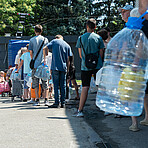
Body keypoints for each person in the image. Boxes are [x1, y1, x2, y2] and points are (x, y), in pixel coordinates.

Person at [74, 18, 104, 117]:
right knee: (100, 86)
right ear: (95, 27)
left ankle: (80, 110)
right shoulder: (99, 38)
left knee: (85, 87)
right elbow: (101, 53)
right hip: (97, 65)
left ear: (86, 26)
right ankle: (105, 108)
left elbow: (80, 55)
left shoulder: (80, 38)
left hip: (85, 65)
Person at [128, 7, 148, 132]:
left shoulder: (138, 29)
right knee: (145, 93)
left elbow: (139, 48)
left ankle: (134, 123)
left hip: (138, 66)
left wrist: (134, 64)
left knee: (132, 94)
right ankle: (147, 118)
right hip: (146, 66)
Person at [43, 35, 72, 108]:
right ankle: (63, 103)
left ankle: (56, 102)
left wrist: (45, 55)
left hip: (55, 67)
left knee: (56, 85)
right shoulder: (67, 45)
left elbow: (44, 48)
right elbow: (69, 59)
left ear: (56, 38)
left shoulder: (54, 41)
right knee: (63, 85)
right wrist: (68, 69)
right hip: (63, 67)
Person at [28, 24, 49, 106]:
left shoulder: (32, 40)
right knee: (45, 82)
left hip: (35, 64)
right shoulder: (45, 39)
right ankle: (46, 99)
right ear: (41, 31)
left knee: (35, 82)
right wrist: (44, 59)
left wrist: (33, 60)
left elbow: (31, 52)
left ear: (35, 31)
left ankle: (37, 100)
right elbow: (46, 52)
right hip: (43, 63)